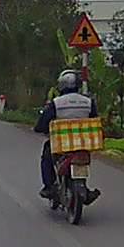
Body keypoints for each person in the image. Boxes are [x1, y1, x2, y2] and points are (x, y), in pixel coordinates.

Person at [35, 69, 98, 199]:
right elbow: (94, 120)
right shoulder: (88, 102)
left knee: (47, 154)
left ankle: (49, 186)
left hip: (62, 143)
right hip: (83, 142)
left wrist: (39, 128)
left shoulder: (57, 103)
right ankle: (84, 188)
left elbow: (44, 121)